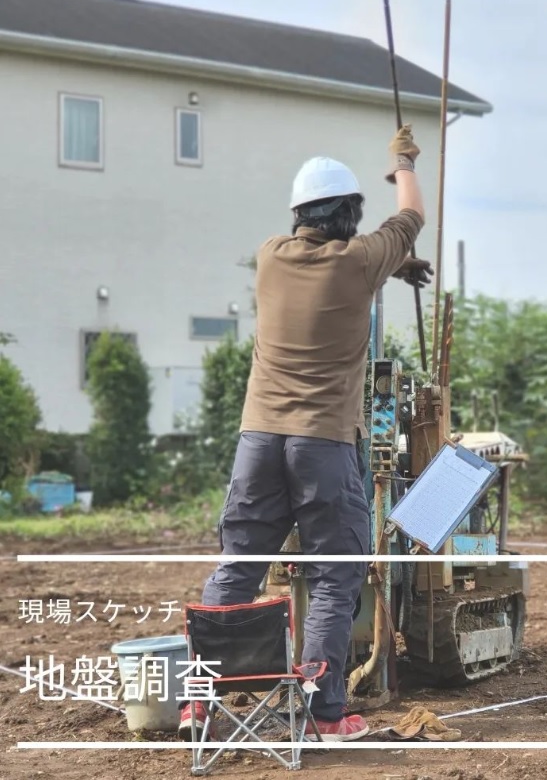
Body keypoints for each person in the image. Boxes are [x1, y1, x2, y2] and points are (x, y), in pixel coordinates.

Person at [179, 125, 430, 743]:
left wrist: (389, 267)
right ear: (348, 215)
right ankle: (324, 712)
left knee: (238, 567)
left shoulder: (271, 255)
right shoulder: (362, 260)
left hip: (258, 441)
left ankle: (201, 703)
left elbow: (337, 265)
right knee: (334, 572)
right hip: (322, 443)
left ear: (297, 216)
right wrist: (403, 164)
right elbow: (414, 213)